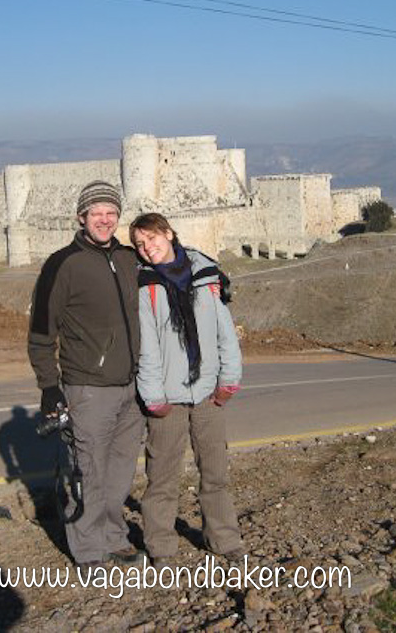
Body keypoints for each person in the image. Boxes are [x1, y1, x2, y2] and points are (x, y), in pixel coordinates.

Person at [27, 180, 143, 570]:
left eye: (111, 213)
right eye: (97, 213)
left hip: (132, 387)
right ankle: (89, 551)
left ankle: (114, 536)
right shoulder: (62, 264)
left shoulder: (129, 258)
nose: (105, 220)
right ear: (81, 217)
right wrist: (49, 387)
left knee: (121, 470)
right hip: (88, 389)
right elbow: (42, 331)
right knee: (87, 472)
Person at [129, 212, 245, 568]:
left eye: (151, 238)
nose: (147, 248)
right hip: (168, 398)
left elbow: (224, 331)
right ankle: (161, 546)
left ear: (168, 233)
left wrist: (229, 379)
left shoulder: (207, 274)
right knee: (162, 476)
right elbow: (145, 346)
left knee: (215, 472)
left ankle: (223, 539)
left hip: (208, 392)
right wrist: (152, 396)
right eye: (140, 244)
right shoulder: (144, 285)